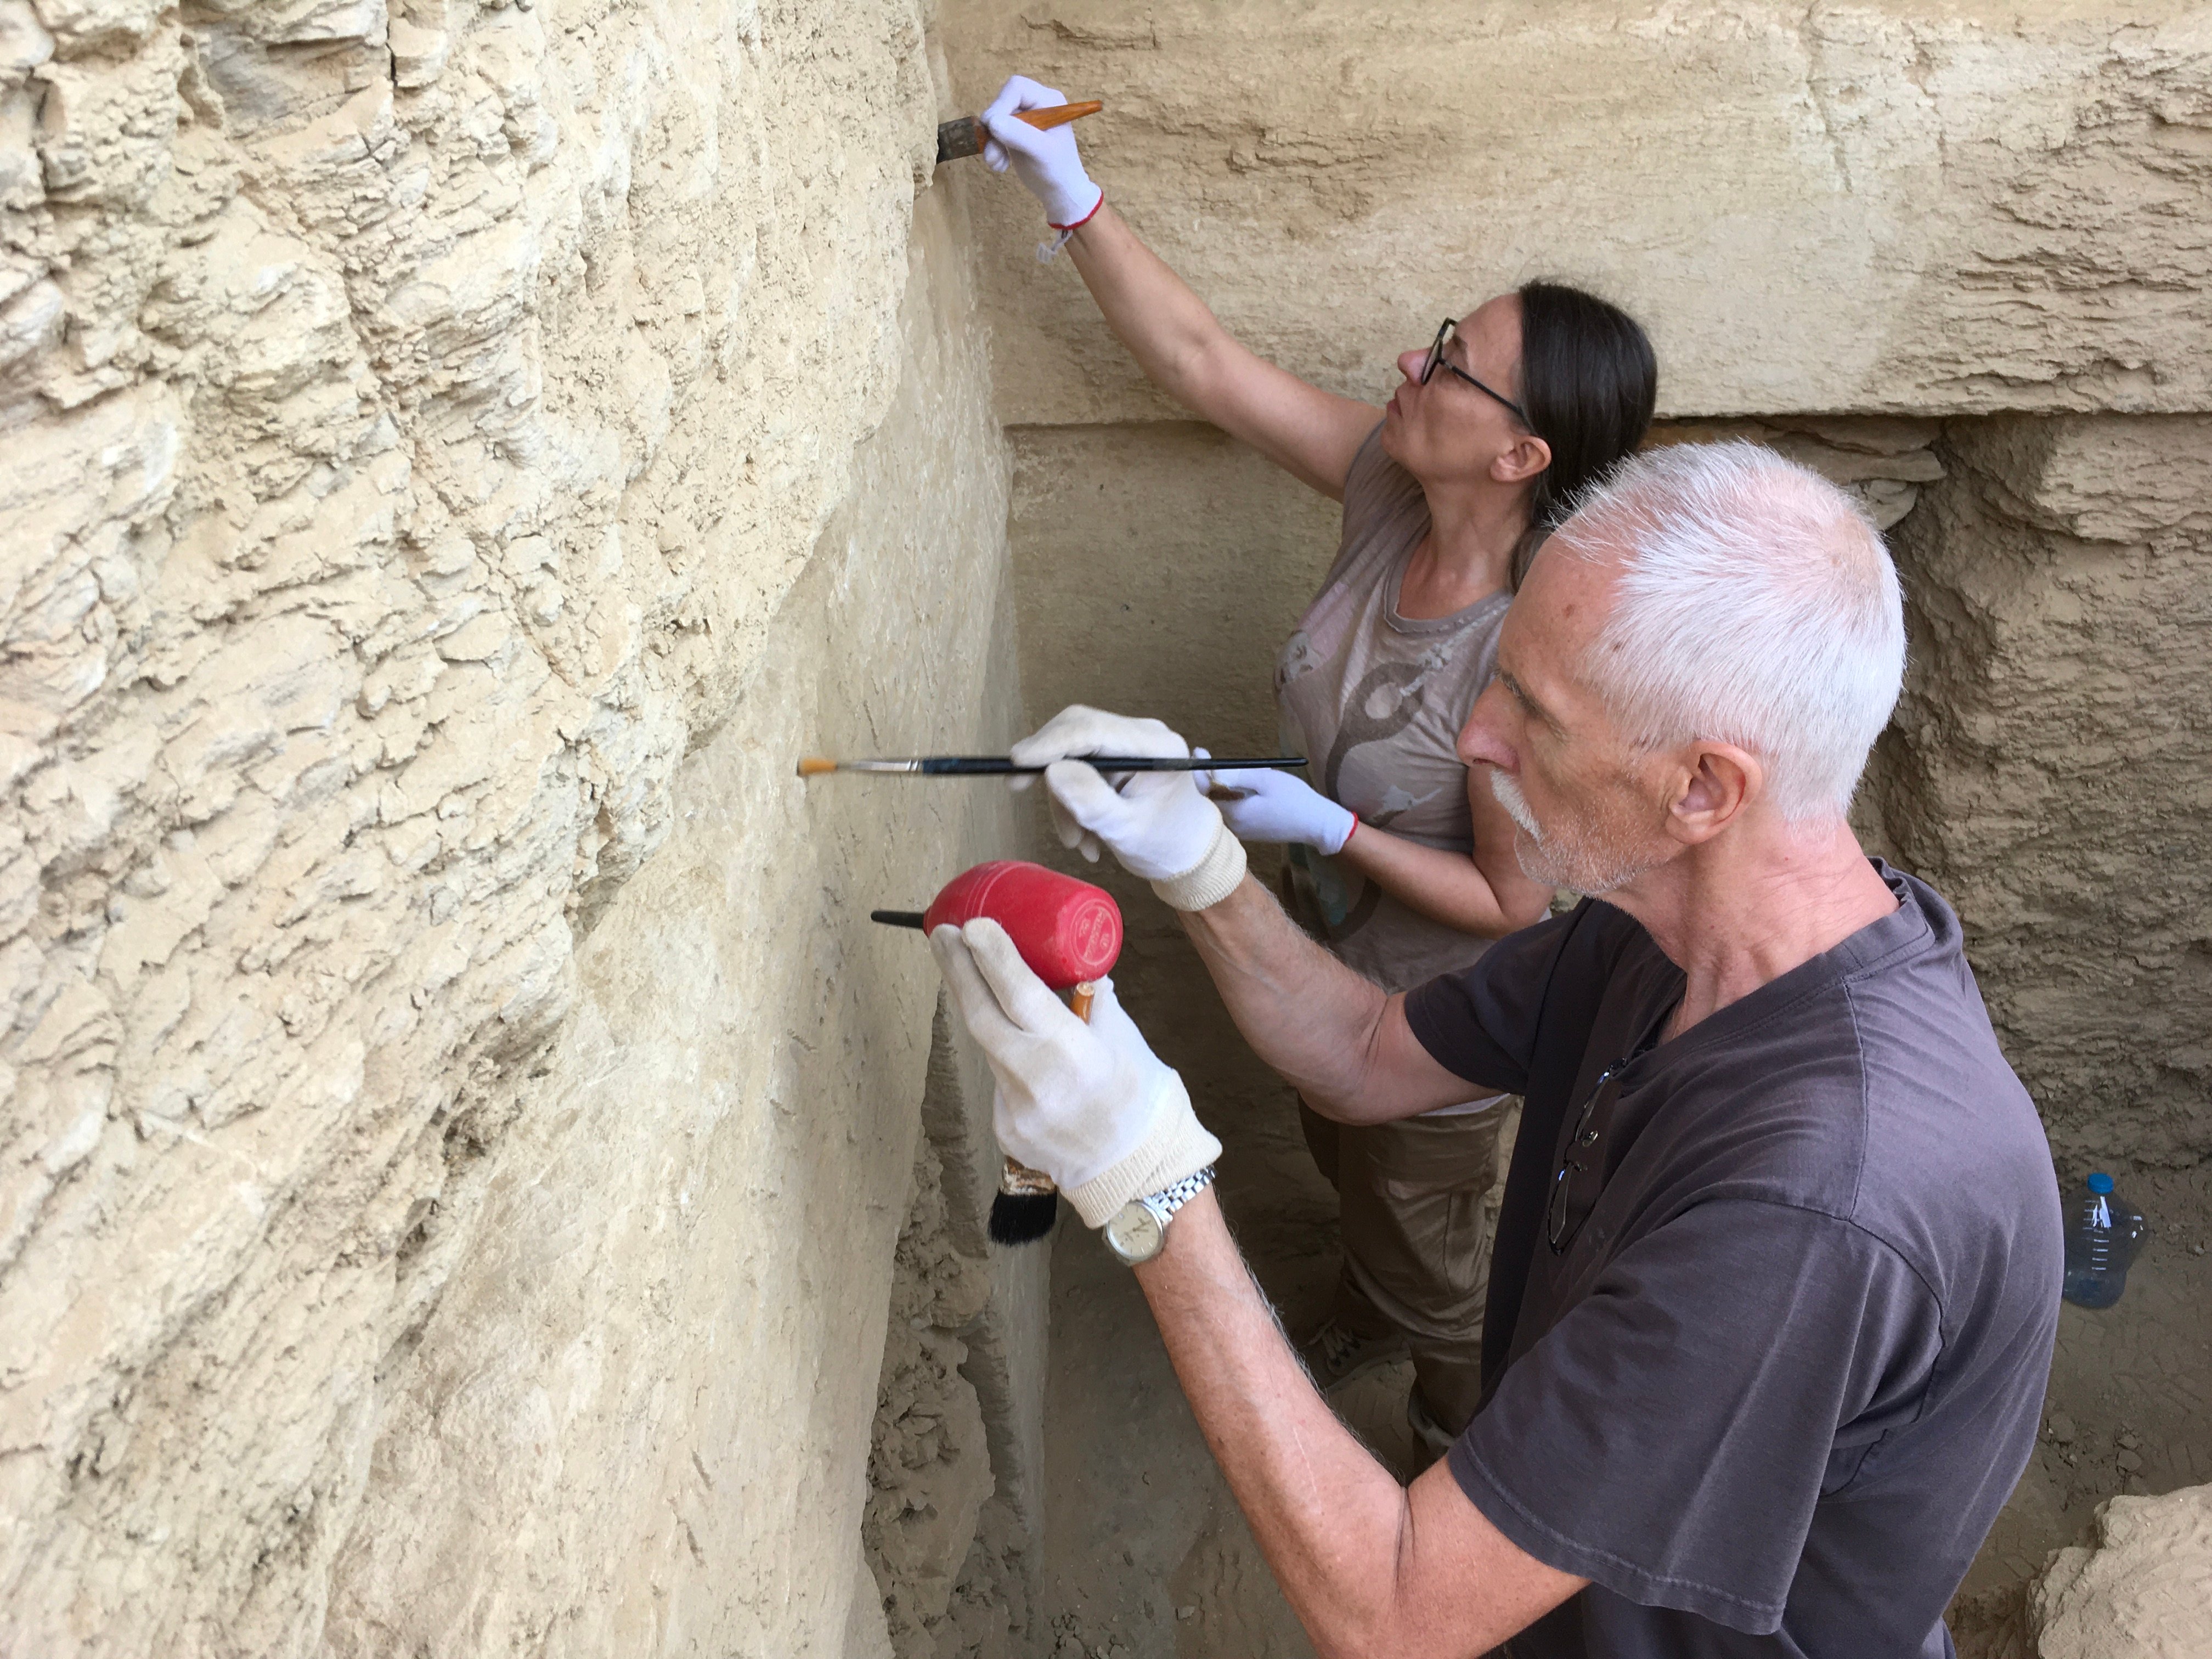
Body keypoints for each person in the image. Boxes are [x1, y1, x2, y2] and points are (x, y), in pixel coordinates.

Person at [928, 442, 2062, 1656]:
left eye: (1531, 707)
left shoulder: (1818, 1205)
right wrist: (1203, 872)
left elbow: (1397, 1609)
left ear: (1702, 788)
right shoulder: (1659, 924)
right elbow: (1368, 1051)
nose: (1475, 735)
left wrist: (1146, 1184)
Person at [978, 74, 1658, 1457]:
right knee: (1342, 1163)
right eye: (1439, 339)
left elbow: (1517, 905)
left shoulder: (1527, 656)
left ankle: (1457, 1433)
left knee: (1439, 1260)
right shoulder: (1389, 485)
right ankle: (1368, 1295)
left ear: (1522, 453)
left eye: (1452, 362)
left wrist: (1333, 832)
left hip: (1432, 1030)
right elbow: (1206, 364)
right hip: (1315, 958)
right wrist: (1071, 196)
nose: (1413, 365)